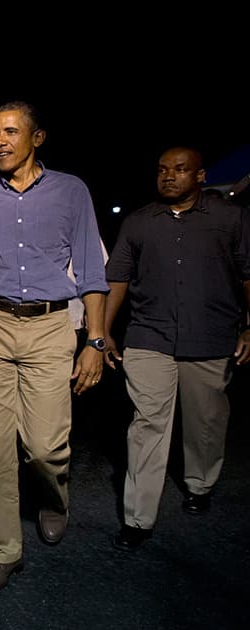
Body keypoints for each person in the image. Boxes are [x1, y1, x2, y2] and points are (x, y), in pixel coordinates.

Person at [0, 101, 108, 592]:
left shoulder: (71, 192)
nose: (0, 140)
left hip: (51, 329)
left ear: (38, 138)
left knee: (45, 446)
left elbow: (93, 274)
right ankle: (7, 549)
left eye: (11, 131)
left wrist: (94, 340)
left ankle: (55, 499)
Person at [104, 146, 250, 552]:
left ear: (200, 176)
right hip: (150, 337)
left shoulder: (229, 219)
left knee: (206, 423)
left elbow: (247, 274)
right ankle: (138, 518)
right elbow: (117, 278)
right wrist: (103, 331)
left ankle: (199, 484)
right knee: (147, 424)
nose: (169, 176)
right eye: (163, 170)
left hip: (211, 336)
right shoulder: (138, 223)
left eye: (180, 170)